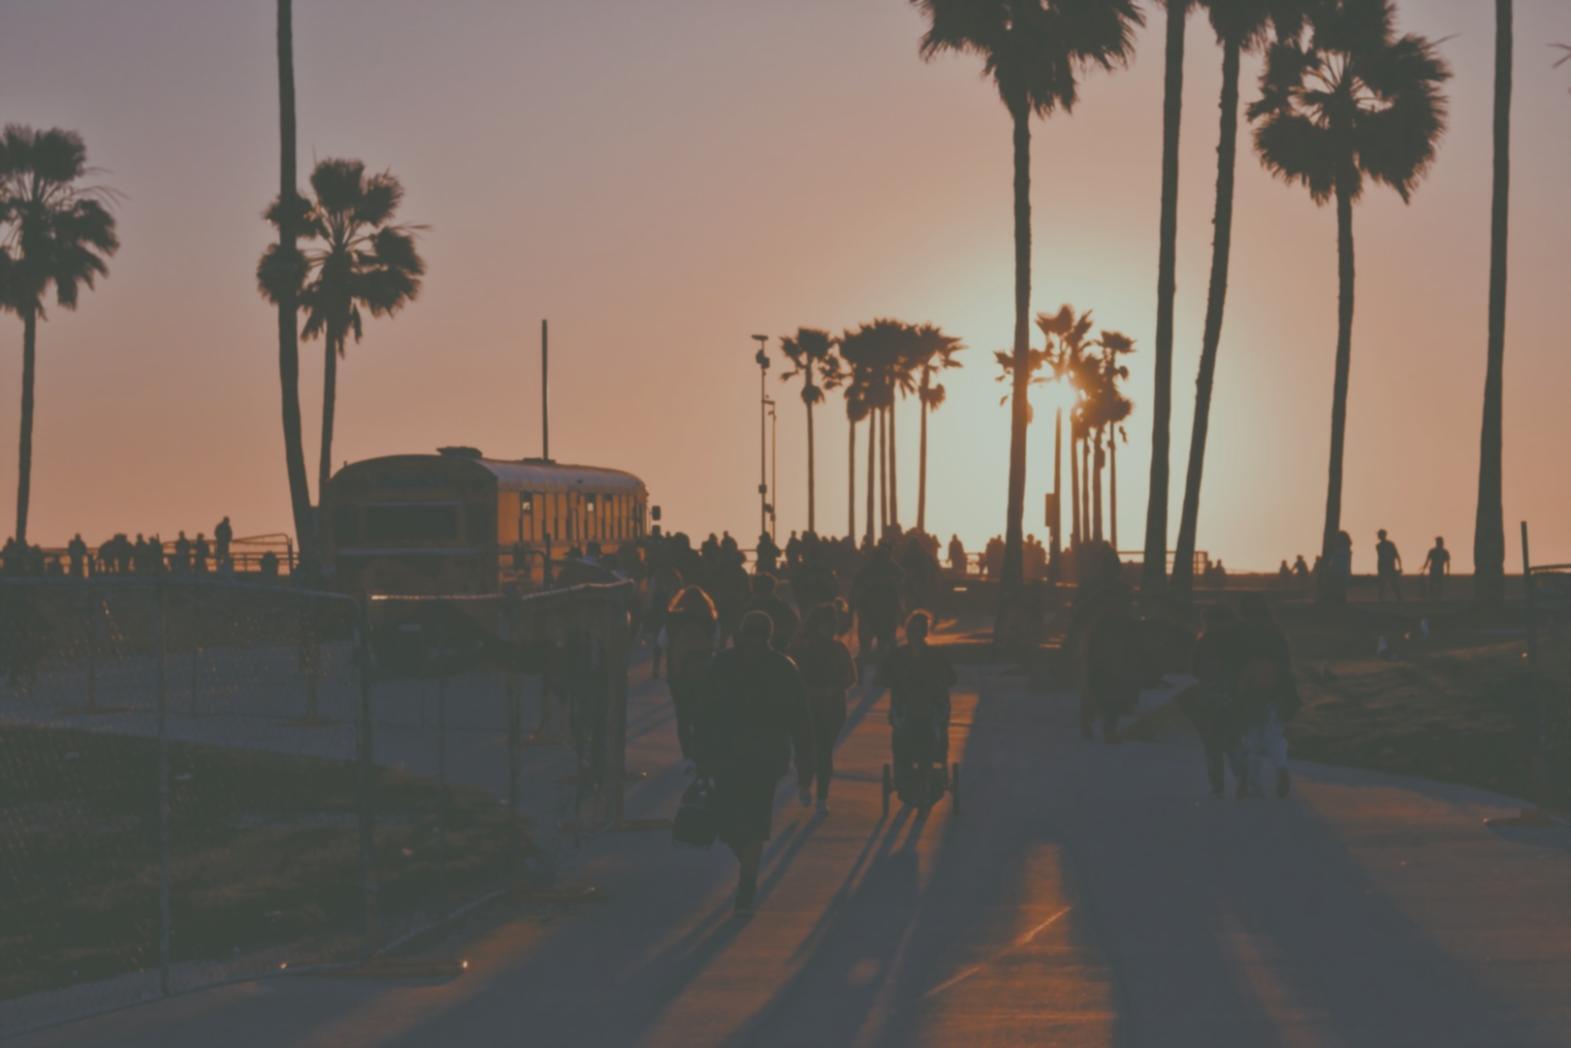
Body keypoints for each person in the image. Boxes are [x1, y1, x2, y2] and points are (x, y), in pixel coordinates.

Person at [695, 610, 812, 915]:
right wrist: (703, 753)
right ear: (742, 635)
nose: (755, 641)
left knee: (754, 825)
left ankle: (747, 885)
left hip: (762, 758)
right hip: (732, 756)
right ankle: (747, 868)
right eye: (751, 634)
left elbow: (800, 717)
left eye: (760, 635)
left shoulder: (781, 668)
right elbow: (705, 712)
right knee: (730, 824)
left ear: (767, 637)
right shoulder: (725, 665)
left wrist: (804, 761)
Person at [883, 610, 957, 805]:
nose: (916, 634)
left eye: (920, 630)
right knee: (901, 734)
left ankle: (936, 771)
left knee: (937, 733)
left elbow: (951, 677)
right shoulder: (898, 656)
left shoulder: (935, 655)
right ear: (908, 631)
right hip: (905, 705)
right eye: (913, 630)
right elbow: (884, 675)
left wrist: (940, 683)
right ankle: (903, 774)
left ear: (925, 632)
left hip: (931, 705)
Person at [790, 603, 858, 813]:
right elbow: (792, 678)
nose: (830, 627)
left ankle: (822, 796)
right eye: (826, 623)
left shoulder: (839, 649)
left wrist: (835, 688)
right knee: (806, 749)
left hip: (831, 707)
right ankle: (804, 782)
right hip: (807, 707)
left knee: (824, 751)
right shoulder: (801, 649)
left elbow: (850, 676)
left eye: (832, 623)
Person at [1232, 595, 1299, 798]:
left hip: (1249, 690)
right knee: (1274, 734)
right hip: (1275, 689)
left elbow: (1234, 663)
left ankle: (1249, 781)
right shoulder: (1276, 633)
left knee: (1249, 736)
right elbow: (1286, 663)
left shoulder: (1241, 633)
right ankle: (1281, 768)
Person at [664, 585, 718, 762]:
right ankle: (700, 747)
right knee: (701, 711)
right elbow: (716, 643)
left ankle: (687, 751)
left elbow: (661, 642)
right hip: (704, 670)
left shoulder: (672, 620)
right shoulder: (710, 620)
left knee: (682, 713)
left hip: (678, 670)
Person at [1375, 529, 1403, 601]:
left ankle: (1399, 599)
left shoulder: (1380, 546)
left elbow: (1395, 556)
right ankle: (1398, 599)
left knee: (1389, 584)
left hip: (1387, 567)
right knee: (1387, 584)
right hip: (1386, 567)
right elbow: (1396, 556)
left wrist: (1400, 566)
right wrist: (1400, 567)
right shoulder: (1381, 545)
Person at [1420, 536, 1450, 600]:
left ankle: (1437, 597)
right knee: (1433, 583)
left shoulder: (1444, 552)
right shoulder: (1433, 551)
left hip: (1439, 570)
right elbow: (1427, 561)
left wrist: (1448, 572)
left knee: (1439, 584)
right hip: (1434, 569)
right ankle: (1433, 597)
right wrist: (1423, 569)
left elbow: (1447, 563)